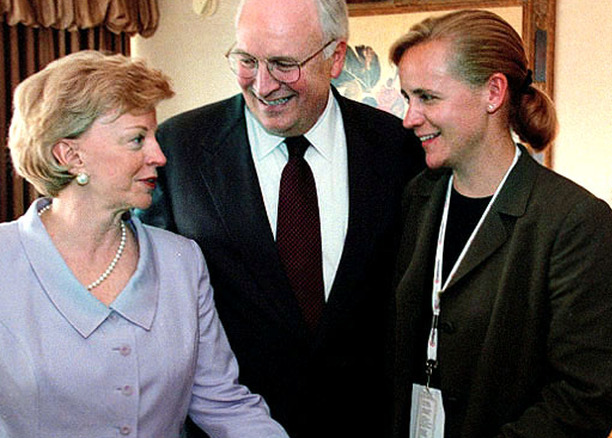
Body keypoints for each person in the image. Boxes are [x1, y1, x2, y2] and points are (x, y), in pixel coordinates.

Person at [137, 0, 423, 436]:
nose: (264, 85)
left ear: (336, 58)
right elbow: (157, 311)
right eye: (247, 61)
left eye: (284, 64)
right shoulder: (180, 149)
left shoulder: (398, 151)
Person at [0, 51, 288, 437]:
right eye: (137, 139)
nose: (159, 155)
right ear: (70, 155)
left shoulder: (181, 260)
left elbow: (223, 404)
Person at [390, 10, 612, 438]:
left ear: (493, 93)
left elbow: (584, 400)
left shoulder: (574, 222)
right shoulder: (418, 199)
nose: (410, 117)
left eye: (427, 97)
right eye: (408, 98)